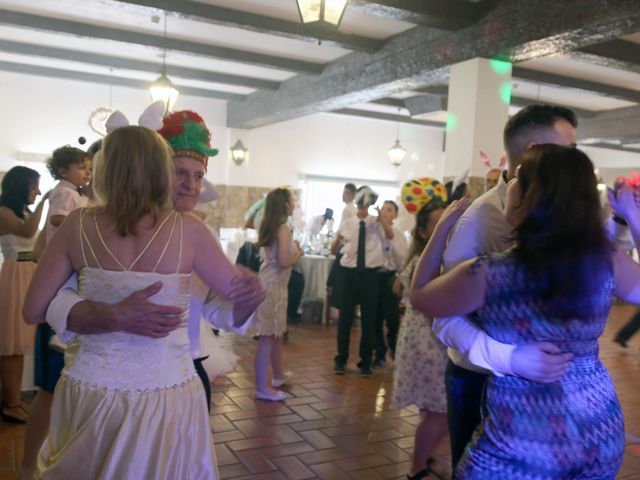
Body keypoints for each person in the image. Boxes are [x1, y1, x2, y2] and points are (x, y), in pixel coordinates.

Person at [22, 126, 245, 479]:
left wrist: (246, 302)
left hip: (94, 391)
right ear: (163, 173)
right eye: (181, 173)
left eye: (197, 176)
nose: (190, 184)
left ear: (104, 170)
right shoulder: (191, 232)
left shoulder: (78, 225)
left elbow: (229, 308)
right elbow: (41, 306)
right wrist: (109, 315)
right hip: (161, 395)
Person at [411, 144, 637, 478]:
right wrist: (633, 218)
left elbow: (420, 297)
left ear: (532, 198)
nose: (509, 184)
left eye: (517, 178)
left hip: (520, 445)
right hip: (599, 436)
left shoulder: (488, 273)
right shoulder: (605, 262)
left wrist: (442, 230)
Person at [432, 104, 579, 470]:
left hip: (545, 387)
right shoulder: (480, 219)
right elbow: (444, 318)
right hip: (480, 382)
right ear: (533, 152)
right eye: (568, 152)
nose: (575, 163)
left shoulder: (562, 216)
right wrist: (510, 358)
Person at [19, 146, 92, 479]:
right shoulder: (66, 196)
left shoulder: (75, 195)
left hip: (72, 294)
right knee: (50, 388)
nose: (87, 173)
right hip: (61, 295)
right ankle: (27, 464)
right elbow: (60, 222)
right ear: (64, 171)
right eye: (82, 167)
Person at [391, 197, 448, 480]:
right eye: (438, 227)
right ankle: (417, 466)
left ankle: (430, 455)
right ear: (424, 233)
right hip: (428, 343)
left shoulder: (438, 258)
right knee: (437, 411)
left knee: (441, 409)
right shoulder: (426, 262)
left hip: (432, 339)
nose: (445, 232)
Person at [0, 167, 48, 423]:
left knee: (20, 343)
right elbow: (28, 232)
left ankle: (14, 398)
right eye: (34, 187)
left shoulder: (25, 213)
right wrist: (46, 201)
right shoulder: (4, 212)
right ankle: (10, 402)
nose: (37, 192)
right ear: (20, 187)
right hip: (14, 275)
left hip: (28, 272)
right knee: (12, 346)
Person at [331, 186, 392, 377]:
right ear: (357, 203)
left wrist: (381, 216)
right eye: (360, 203)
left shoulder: (377, 223)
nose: (363, 207)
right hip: (349, 274)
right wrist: (337, 241)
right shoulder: (348, 223)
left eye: (366, 203)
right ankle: (341, 360)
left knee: (369, 320)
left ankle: (365, 362)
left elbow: (390, 236)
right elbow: (334, 249)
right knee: (345, 319)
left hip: (371, 276)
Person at [251, 188, 303, 401]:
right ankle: (261, 387)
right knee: (267, 337)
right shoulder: (282, 228)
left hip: (275, 287)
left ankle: (278, 376)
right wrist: (298, 253)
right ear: (284, 205)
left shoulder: (274, 226)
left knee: (276, 334)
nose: (294, 205)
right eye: (292, 201)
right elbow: (283, 262)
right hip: (272, 288)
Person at [373, 200, 407, 367]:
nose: (385, 213)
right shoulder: (374, 232)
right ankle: (379, 352)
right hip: (374, 276)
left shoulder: (398, 234)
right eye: (383, 210)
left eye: (389, 210)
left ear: (395, 215)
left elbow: (402, 260)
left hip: (391, 277)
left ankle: (393, 348)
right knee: (375, 317)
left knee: (392, 317)